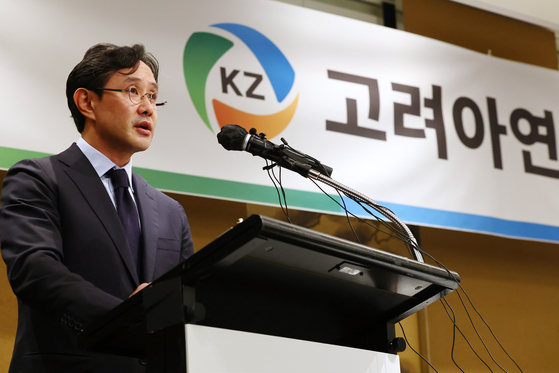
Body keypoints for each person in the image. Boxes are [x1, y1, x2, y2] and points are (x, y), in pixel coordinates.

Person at [0, 43, 194, 372]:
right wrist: (125, 317)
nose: (147, 108)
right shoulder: (39, 179)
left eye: (152, 96)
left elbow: (191, 301)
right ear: (87, 102)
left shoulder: (171, 212)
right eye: (133, 91)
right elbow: (35, 271)